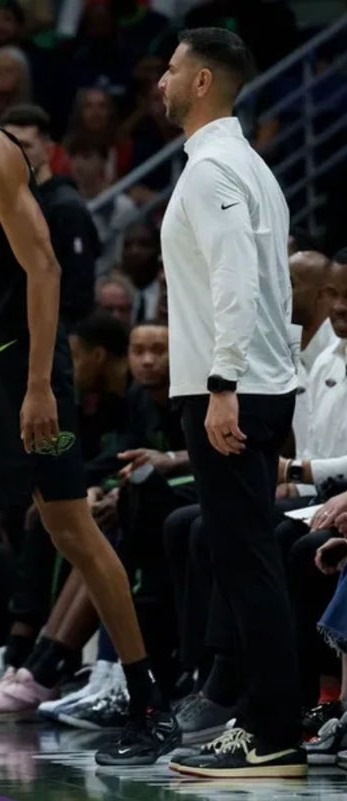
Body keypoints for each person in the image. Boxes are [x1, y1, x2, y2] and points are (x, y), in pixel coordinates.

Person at [0, 16, 177, 766]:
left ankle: (147, 698)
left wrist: (42, 383)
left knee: (71, 528)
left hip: (19, 362)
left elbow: (44, 268)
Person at [157, 28, 306, 779]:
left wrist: (222, 383)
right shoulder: (246, 164)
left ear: (203, 81)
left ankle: (272, 731)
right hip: (256, 384)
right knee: (244, 558)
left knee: (248, 563)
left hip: (235, 389)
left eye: (172, 69)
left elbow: (237, 278)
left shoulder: (214, 167)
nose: (161, 81)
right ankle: (260, 716)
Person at [0, 104, 99, 331]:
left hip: (55, 334)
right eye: (9, 145)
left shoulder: (67, 208)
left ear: (49, 150)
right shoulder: (4, 202)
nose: (16, 153)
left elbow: (78, 293)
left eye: (25, 145)